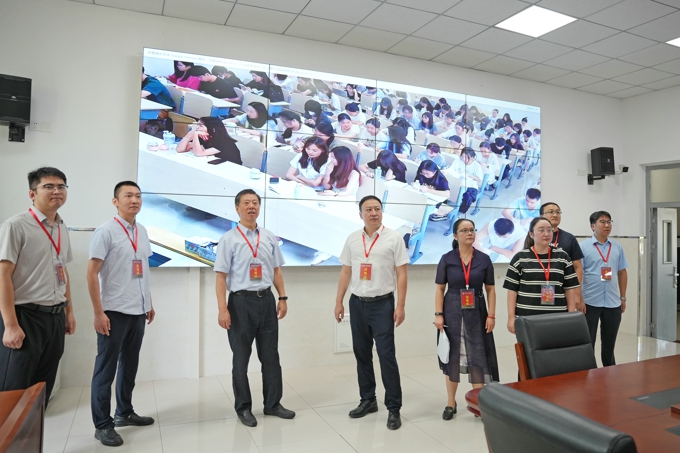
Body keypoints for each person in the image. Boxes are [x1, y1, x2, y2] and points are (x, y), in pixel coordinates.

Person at [214, 189, 294, 427]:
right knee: (241, 359)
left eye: (255, 203)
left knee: (271, 356)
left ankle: (273, 404)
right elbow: (220, 277)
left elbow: (276, 270)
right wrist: (222, 309)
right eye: (246, 203)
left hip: (266, 300)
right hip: (240, 303)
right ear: (237, 208)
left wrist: (282, 297)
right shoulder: (228, 239)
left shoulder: (268, 237)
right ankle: (244, 408)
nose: (251, 206)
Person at [86, 181, 156, 447]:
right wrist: (98, 312)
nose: (134, 200)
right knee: (105, 370)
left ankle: (124, 412)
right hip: (113, 311)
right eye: (128, 196)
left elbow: (143, 270)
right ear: (115, 201)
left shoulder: (142, 230)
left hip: (138, 309)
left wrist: (148, 302)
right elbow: (91, 273)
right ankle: (102, 425)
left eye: (138, 196)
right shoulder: (105, 231)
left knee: (130, 364)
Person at [0, 167, 76, 404]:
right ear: (32, 194)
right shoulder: (16, 226)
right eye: (48, 186)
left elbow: (63, 272)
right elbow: (3, 276)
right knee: (14, 391)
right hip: (25, 317)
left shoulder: (61, 227)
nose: (57, 191)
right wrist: (10, 325)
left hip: (55, 318)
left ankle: (36, 429)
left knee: (42, 389)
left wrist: (69, 312)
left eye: (61, 187)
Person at [334, 195, 409, 430]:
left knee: (386, 355)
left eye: (377, 208)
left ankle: (394, 408)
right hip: (357, 303)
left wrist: (400, 305)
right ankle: (368, 400)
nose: (373, 213)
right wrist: (339, 301)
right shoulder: (352, 239)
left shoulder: (394, 238)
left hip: (383, 304)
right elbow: (346, 271)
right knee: (362, 354)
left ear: (382, 212)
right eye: (368, 209)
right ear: (361, 214)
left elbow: (402, 273)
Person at [435, 219, 498, 420]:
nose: (469, 233)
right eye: (464, 230)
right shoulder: (447, 259)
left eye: (472, 230)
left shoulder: (484, 259)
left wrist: (491, 315)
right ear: (455, 236)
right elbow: (440, 289)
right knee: (452, 357)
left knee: (477, 357)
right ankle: (450, 403)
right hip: (452, 310)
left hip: (477, 312)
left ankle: (477, 403)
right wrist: (438, 314)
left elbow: (490, 290)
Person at [504, 217, 580, 335]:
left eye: (549, 230)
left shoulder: (562, 256)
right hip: (527, 318)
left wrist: (571, 316)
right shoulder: (520, 257)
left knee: (556, 347)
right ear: (531, 234)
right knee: (529, 347)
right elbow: (512, 291)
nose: (546, 233)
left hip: (558, 318)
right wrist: (511, 317)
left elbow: (569, 289)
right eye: (541, 230)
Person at [579, 211, 628, 367]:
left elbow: (622, 272)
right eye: (602, 222)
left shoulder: (617, 246)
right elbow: (578, 274)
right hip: (590, 301)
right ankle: (588, 371)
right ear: (593, 226)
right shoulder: (583, 246)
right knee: (588, 341)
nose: (607, 225)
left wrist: (623, 297)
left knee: (609, 342)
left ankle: (609, 371)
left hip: (613, 302)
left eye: (609, 222)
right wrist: (579, 299)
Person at [540, 203, 584, 304]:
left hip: (564, 290)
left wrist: (577, 292)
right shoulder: (535, 237)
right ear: (541, 216)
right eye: (551, 212)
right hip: (537, 287)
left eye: (558, 212)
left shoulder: (569, 238)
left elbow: (577, 267)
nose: (555, 215)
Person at [177, 116, 242, 164]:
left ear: (212, 128)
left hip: (230, 168)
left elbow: (199, 153)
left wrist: (195, 135)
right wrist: (189, 134)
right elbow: (180, 149)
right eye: (197, 125)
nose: (197, 128)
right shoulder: (202, 136)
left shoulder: (224, 142)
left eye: (201, 126)